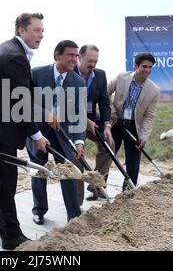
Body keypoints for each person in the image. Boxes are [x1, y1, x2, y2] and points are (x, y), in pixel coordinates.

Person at [0, 13, 50, 250]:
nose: (41, 34)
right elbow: (20, 102)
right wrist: (37, 136)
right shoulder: (15, 57)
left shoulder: (9, 49)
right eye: (37, 30)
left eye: (42, 30)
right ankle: (10, 236)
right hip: (2, 129)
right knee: (6, 183)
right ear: (22, 31)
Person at [27, 40, 86, 224]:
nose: (74, 59)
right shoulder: (36, 74)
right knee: (39, 172)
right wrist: (46, 116)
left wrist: (79, 142)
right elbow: (25, 103)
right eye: (70, 55)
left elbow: (79, 114)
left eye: (76, 55)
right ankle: (39, 210)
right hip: (38, 132)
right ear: (56, 55)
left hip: (64, 134)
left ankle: (73, 215)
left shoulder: (78, 81)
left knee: (67, 172)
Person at [108, 53, 160, 189]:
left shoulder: (154, 90)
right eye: (144, 66)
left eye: (150, 67)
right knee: (107, 155)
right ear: (136, 66)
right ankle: (98, 187)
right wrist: (112, 111)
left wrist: (143, 137)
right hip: (116, 123)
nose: (147, 70)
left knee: (133, 162)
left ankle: (128, 192)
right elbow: (104, 93)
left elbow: (149, 116)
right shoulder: (121, 77)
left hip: (134, 127)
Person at [74, 45, 114, 201]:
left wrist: (107, 126)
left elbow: (104, 102)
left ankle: (95, 183)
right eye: (89, 61)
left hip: (93, 120)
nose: (92, 65)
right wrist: (84, 121)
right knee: (77, 156)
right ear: (79, 57)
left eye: (95, 61)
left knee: (109, 144)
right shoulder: (70, 74)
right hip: (73, 120)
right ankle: (76, 201)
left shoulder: (100, 75)